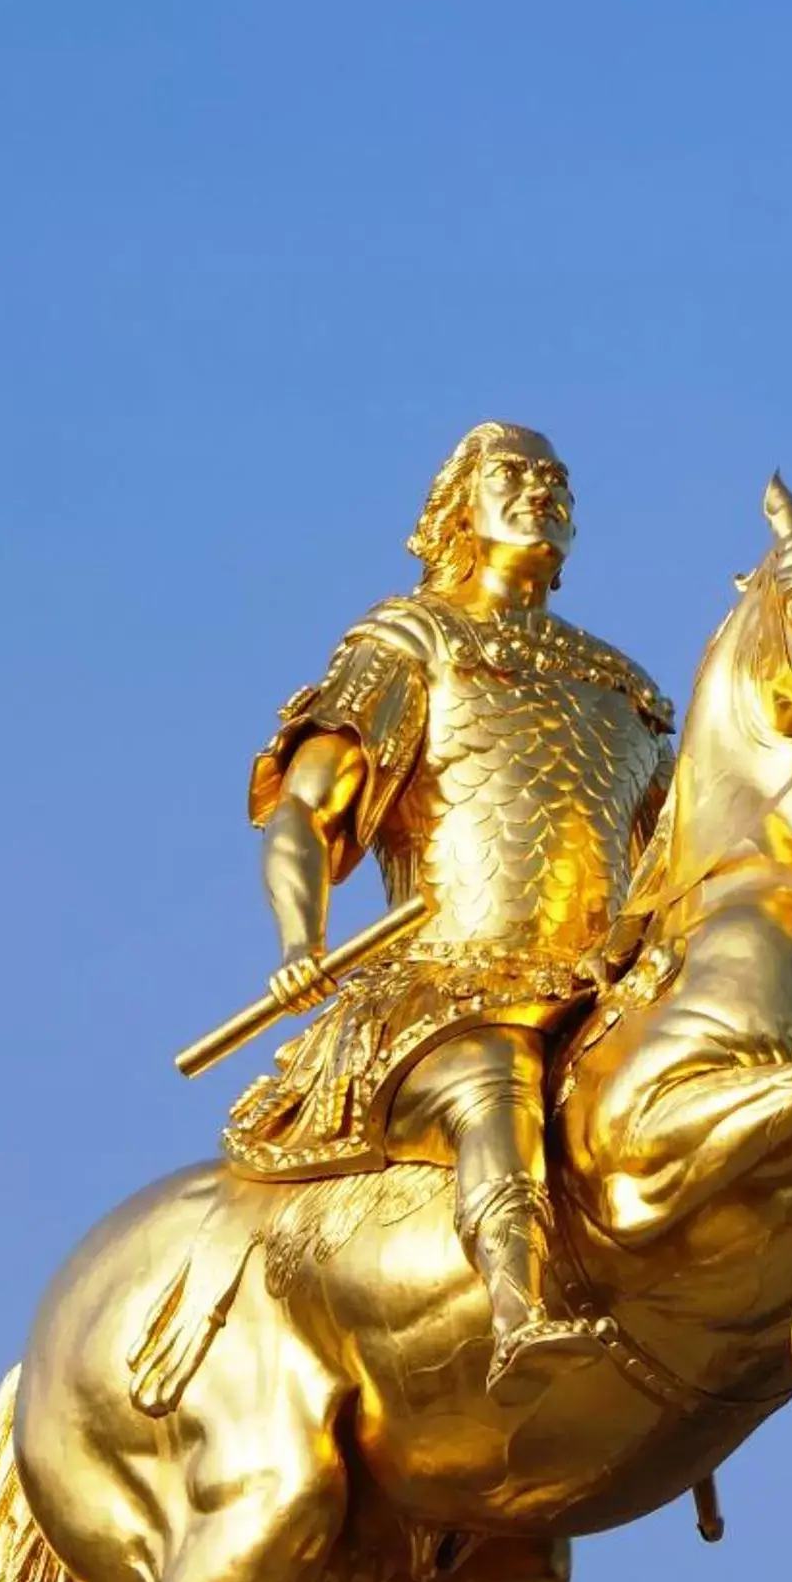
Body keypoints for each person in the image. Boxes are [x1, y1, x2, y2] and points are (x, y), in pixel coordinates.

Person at [224, 421, 673, 1395]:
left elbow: (674, 862)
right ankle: (519, 1313)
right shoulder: (410, 643)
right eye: (512, 474)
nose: (542, 491)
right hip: (448, 990)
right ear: (457, 508)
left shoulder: (624, 686)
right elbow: (304, 811)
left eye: (557, 478)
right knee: (494, 1081)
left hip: (600, 987)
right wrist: (302, 940)